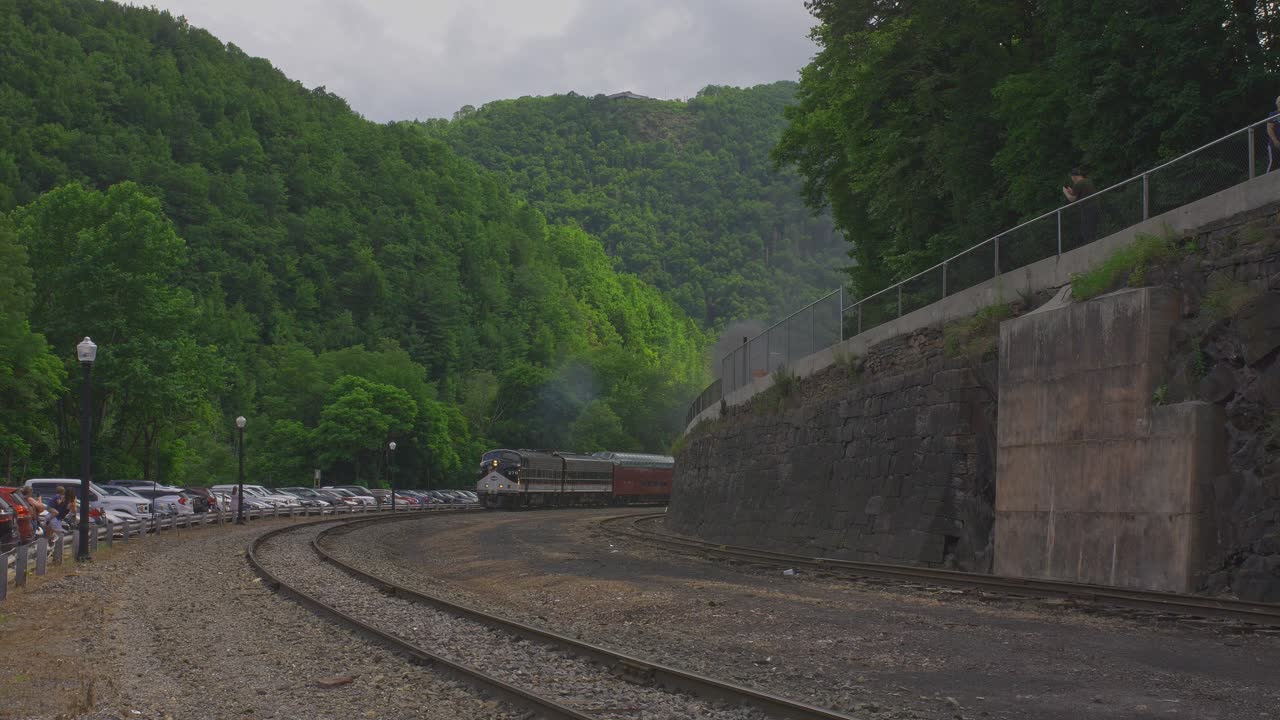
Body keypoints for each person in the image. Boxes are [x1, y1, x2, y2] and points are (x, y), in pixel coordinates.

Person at [1062, 167, 1099, 246]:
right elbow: (1079, 192)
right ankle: (1093, 243)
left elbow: (1072, 199)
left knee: (1086, 230)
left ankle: (1090, 246)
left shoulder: (1078, 184)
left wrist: (1065, 192)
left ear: (1074, 176)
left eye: (1071, 177)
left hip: (1087, 209)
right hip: (1094, 206)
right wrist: (1071, 191)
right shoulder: (1087, 181)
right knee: (1092, 227)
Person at [1267, 95, 1280, 173]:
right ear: (1276, 103)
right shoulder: (1273, 114)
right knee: (1273, 162)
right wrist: (1275, 141)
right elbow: (1269, 129)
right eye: (1279, 102)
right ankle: (1266, 180)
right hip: (1274, 143)